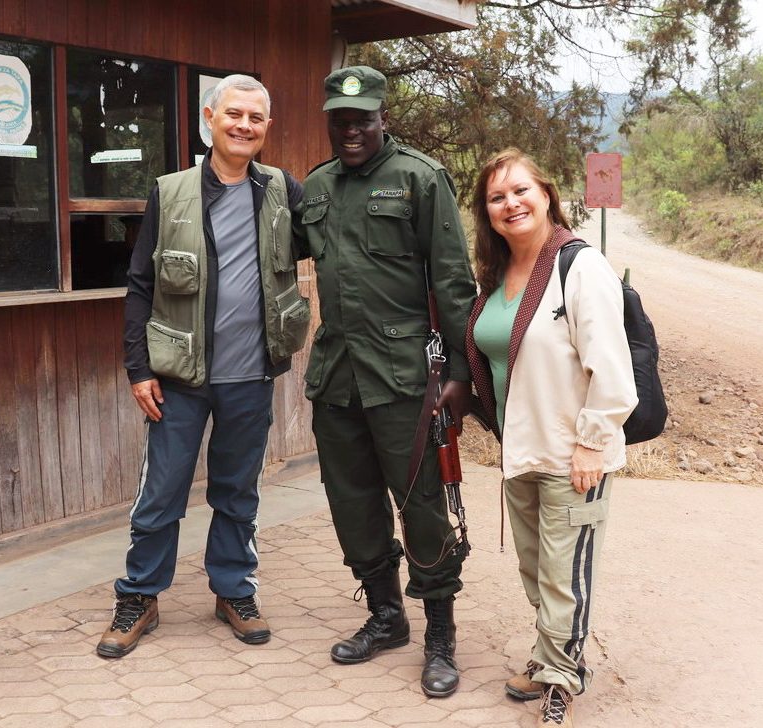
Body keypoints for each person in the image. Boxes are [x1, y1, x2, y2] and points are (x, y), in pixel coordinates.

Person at [98, 74, 309, 658]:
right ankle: (139, 596)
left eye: (256, 118)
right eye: (234, 114)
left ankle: (234, 591)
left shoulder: (281, 190)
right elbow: (140, 285)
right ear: (210, 119)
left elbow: (334, 234)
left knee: (238, 492)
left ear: (267, 128)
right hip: (178, 379)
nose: (244, 126)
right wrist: (138, 369)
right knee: (161, 493)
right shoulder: (170, 192)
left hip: (250, 376)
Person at [294, 66, 477, 697]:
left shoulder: (420, 178)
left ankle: (440, 637)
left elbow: (452, 281)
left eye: (362, 120)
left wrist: (460, 375)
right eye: (340, 122)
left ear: (383, 118)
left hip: (404, 379)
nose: (351, 131)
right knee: (352, 501)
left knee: (422, 505)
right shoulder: (318, 186)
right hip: (337, 376)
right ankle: (385, 615)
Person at [464, 149, 637, 726]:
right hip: (522, 450)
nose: (510, 203)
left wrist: (592, 443)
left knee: (567, 574)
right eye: (497, 197)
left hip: (572, 453)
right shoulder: (497, 276)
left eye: (520, 191)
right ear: (486, 212)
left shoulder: (580, 267)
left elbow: (611, 367)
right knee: (538, 570)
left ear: (546, 195)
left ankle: (563, 677)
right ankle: (550, 657)